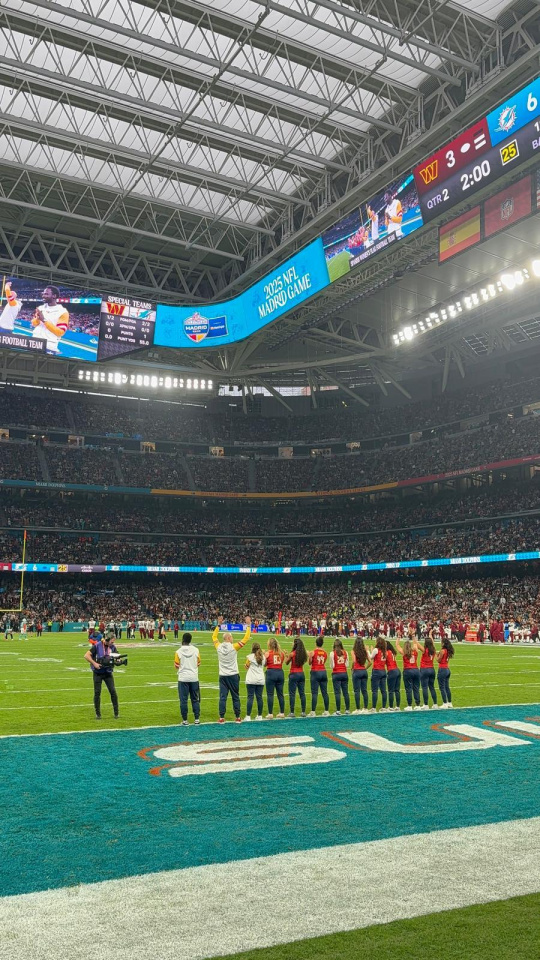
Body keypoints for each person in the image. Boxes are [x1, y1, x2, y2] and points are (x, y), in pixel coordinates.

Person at [212, 615, 251, 723]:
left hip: (223, 676)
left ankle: (221, 717)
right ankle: (238, 717)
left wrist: (218, 625)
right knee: (235, 696)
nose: (232, 638)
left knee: (223, 697)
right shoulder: (234, 647)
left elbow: (214, 637)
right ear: (228, 638)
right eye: (231, 637)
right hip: (233, 675)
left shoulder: (218, 646)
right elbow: (246, 639)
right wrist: (248, 626)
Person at [84, 629, 119, 720]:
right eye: (112, 641)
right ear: (107, 639)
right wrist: (94, 663)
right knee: (97, 693)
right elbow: (86, 655)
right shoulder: (97, 645)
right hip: (98, 673)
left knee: (113, 691)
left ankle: (116, 713)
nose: (113, 643)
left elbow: (117, 656)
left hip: (108, 672)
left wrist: (118, 660)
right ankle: (98, 714)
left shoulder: (113, 647)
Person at [31, 285, 69, 354]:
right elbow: (34, 324)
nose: (43, 296)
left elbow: (60, 332)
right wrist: (37, 319)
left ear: (54, 296)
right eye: (43, 294)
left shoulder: (62, 312)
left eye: (46, 294)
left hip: (49, 346)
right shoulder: (40, 308)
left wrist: (44, 320)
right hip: (34, 342)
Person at [174, 632, 201, 725]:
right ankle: (197, 718)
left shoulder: (178, 651)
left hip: (183, 678)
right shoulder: (196, 650)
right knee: (195, 699)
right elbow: (198, 663)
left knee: (183, 700)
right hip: (194, 677)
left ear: (183, 640)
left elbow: (176, 665)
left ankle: (185, 720)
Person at [285, 637, 307, 717]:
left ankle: (292, 712)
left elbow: (286, 662)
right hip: (301, 673)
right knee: (302, 693)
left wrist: (286, 655)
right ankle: (303, 712)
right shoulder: (303, 654)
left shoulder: (292, 654)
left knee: (292, 694)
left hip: (293, 674)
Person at [396, 638, 421, 711]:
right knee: (416, 688)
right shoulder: (415, 651)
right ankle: (418, 704)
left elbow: (397, 645)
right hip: (416, 670)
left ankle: (409, 705)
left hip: (407, 671)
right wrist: (413, 636)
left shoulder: (404, 652)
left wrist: (398, 637)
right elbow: (416, 644)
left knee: (408, 689)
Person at [308, 637, 330, 717]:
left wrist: (309, 657)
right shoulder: (325, 652)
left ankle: (313, 711)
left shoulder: (313, 652)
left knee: (314, 693)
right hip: (323, 672)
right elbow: (323, 661)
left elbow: (310, 663)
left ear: (315, 643)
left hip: (315, 672)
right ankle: (326, 710)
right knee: (325, 692)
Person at [264, 637, 285, 719]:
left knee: (270, 694)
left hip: (271, 673)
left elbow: (265, 664)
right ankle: (282, 712)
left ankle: (270, 713)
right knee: (280, 694)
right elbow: (282, 662)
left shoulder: (268, 653)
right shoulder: (281, 653)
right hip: (280, 673)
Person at [244, 642, 265, 721]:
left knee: (250, 697)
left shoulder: (250, 657)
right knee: (259, 697)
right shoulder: (263, 657)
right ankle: (260, 716)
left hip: (251, 679)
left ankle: (248, 716)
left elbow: (246, 666)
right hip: (260, 679)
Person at [330, 638, 350, 715]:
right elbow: (347, 665)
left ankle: (338, 710)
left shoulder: (332, 653)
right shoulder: (345, 652)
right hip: (344, 673)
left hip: (336, 673)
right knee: (346, 692)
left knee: (337, 693)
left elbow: (332, 666)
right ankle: (347, 710)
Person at [369, 636, 388, 712]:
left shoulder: (376, 650)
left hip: (376, 671)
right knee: (383, 690)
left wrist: (368, 650)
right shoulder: (385, 651)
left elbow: (371, 657)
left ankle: (373, 708)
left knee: (375, 690)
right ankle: (383, 707)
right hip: (383, 671)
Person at [418, 637, 438, 709]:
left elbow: (417, 644)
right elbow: (433, 644)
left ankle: (426, 704)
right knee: (432, 687)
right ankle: (435, 704)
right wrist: (430, 636)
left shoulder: (424, 650)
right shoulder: (433, 650)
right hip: (432, 669)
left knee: (424, 687)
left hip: (424, 669)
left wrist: (413, 635)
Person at [351, 637, 370, 714]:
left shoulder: (353, 651)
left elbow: (354, 661)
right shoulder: (364, 651)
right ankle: (365, 708)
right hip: (363, 671)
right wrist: (365, 668)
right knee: (364, 690)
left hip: (357, 671)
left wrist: (352, 668)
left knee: (357, 691)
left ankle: (358, 709)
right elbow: (370, 662)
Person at [437, 637, 454, 708]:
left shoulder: (443, 650)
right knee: (447, 687)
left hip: (442, 669)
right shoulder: (448, 650)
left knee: (442, 687)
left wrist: (435, 655)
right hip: (447, 669)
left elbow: (438, 660)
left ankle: (445, 703)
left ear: (443, 643)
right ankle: (450, 702)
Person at [386, 640, 401, 712]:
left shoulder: (386, 652)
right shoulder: (392, 652)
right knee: (397, 690)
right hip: (397, 670)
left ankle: (391, 706)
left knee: (391, 690)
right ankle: (397, 706)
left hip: (391, 671)